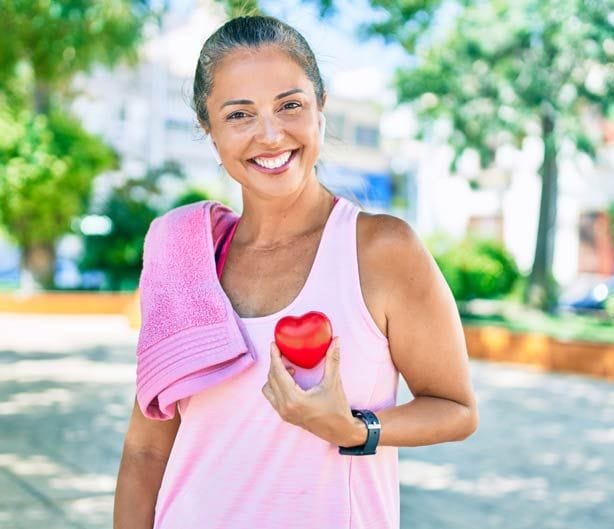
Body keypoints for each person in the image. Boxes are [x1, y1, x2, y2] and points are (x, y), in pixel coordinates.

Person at [113, 15, 479, 529]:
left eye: (290, 105)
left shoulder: (380, 249)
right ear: (209, 130)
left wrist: (356, 428)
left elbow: (456, 409)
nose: (270, 134)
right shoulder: (184, 259)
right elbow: (146, 452)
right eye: (239, 114)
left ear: (320, 109)